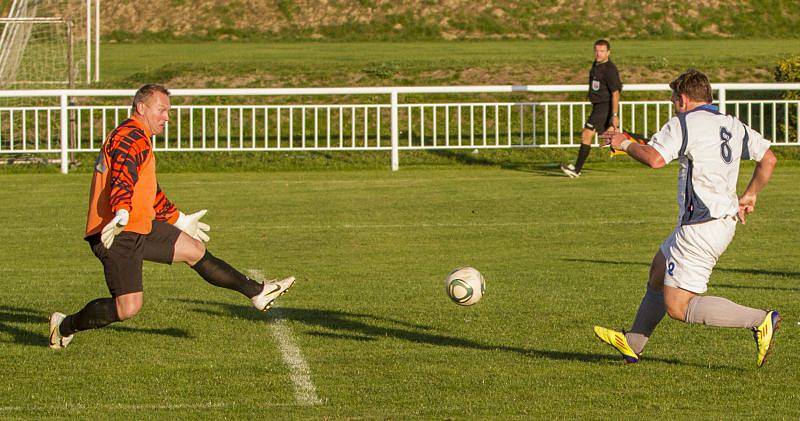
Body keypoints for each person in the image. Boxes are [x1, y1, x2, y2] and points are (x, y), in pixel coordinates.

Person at [49, 84, 295, 349]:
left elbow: (148, 190)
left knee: (194, 249)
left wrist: (179, 219)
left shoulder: (138, 136)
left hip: (136, 225)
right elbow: (123, 177)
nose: (167, 117)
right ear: (141, 108)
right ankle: (64, 325)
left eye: (169, 111)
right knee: (128, 307)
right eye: (162, 110)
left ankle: (257, 292)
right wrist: (121, 211)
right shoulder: (129, 137)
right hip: (115, 232)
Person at [592, 69, 780, 367]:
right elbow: (768, 158)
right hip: (720, 222)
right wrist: (751, 194)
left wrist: (624, 144)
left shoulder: (683, 123)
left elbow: (655, 159)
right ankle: (633, 343)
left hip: (700, 227)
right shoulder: (732, 124)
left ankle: (759, 320)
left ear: (682, 99)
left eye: (672, 100)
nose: (672, 105)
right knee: (658, 270)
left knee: (678, 307)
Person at [561, 39, 622, 178]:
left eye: (601, 51)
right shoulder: (596, 65)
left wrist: (614, 114)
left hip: (604, 106)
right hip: (597, 106)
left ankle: (576, 170)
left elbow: (615, 93)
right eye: (596, 50)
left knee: (587, 134)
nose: (598, 54)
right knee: (612, 138)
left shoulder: (610, 69)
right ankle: (648, 148)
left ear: (608, 52)